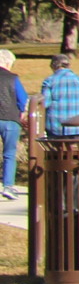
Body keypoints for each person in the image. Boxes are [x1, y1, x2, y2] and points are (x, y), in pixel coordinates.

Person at [38, 55, 79, 137]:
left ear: (53, 66)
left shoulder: (50, 80)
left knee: (56, 148)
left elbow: (44, 103)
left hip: (56, 128)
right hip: (77, 127)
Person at [0, 50, 22, 199]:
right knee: (9, 153)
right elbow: (22, 99)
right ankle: (8, 186)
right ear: (8, 63)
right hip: (10, 118)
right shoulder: (13, 78)